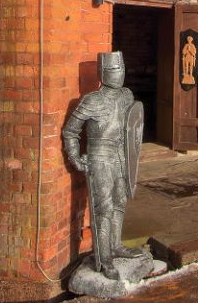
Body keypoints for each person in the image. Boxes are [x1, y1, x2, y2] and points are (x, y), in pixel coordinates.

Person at [62, 52, 145, 280]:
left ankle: (116, 246)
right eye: (114, 70)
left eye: (121, 69)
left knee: (120, 202)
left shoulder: (127, 96)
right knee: (104, 208)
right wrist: (76, 158)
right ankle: (105, 257)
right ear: (103, 73)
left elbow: (132, 127)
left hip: (120, 155)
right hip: (99, 157)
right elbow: (71, 131)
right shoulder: (92, 100)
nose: (119, 74)